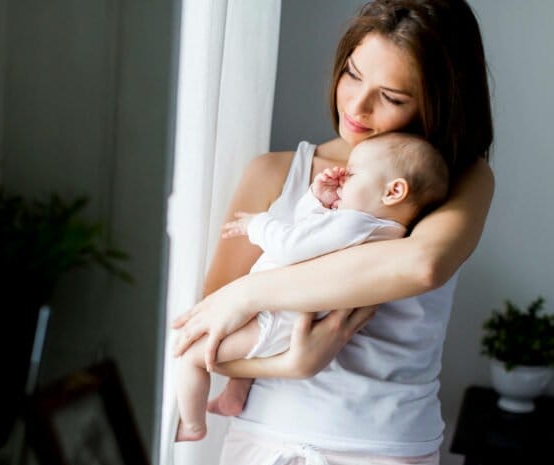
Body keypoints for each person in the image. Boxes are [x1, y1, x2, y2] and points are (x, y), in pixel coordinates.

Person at [172, 0, 494, 465]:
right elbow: (212, 320)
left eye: (390, 97)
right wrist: (294, 362)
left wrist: (254, 291)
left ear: (438, 100)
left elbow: (420, 265)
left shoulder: (455, 180)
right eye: (352, 74)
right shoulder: (275, 172)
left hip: (386, 462)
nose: (357, 107)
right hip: (263, 444)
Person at [175, 133, 449, 443]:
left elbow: (292, 244)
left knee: (193, 355)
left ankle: (192, 424)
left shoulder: (352, 223)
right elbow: (313, 235)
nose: (342, 178)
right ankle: (235, 394)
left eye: (353, 173)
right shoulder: (389, 234)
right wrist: (318, 202)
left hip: (275, 318)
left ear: (393, 191)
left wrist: (257, 225)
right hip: (290, 318)